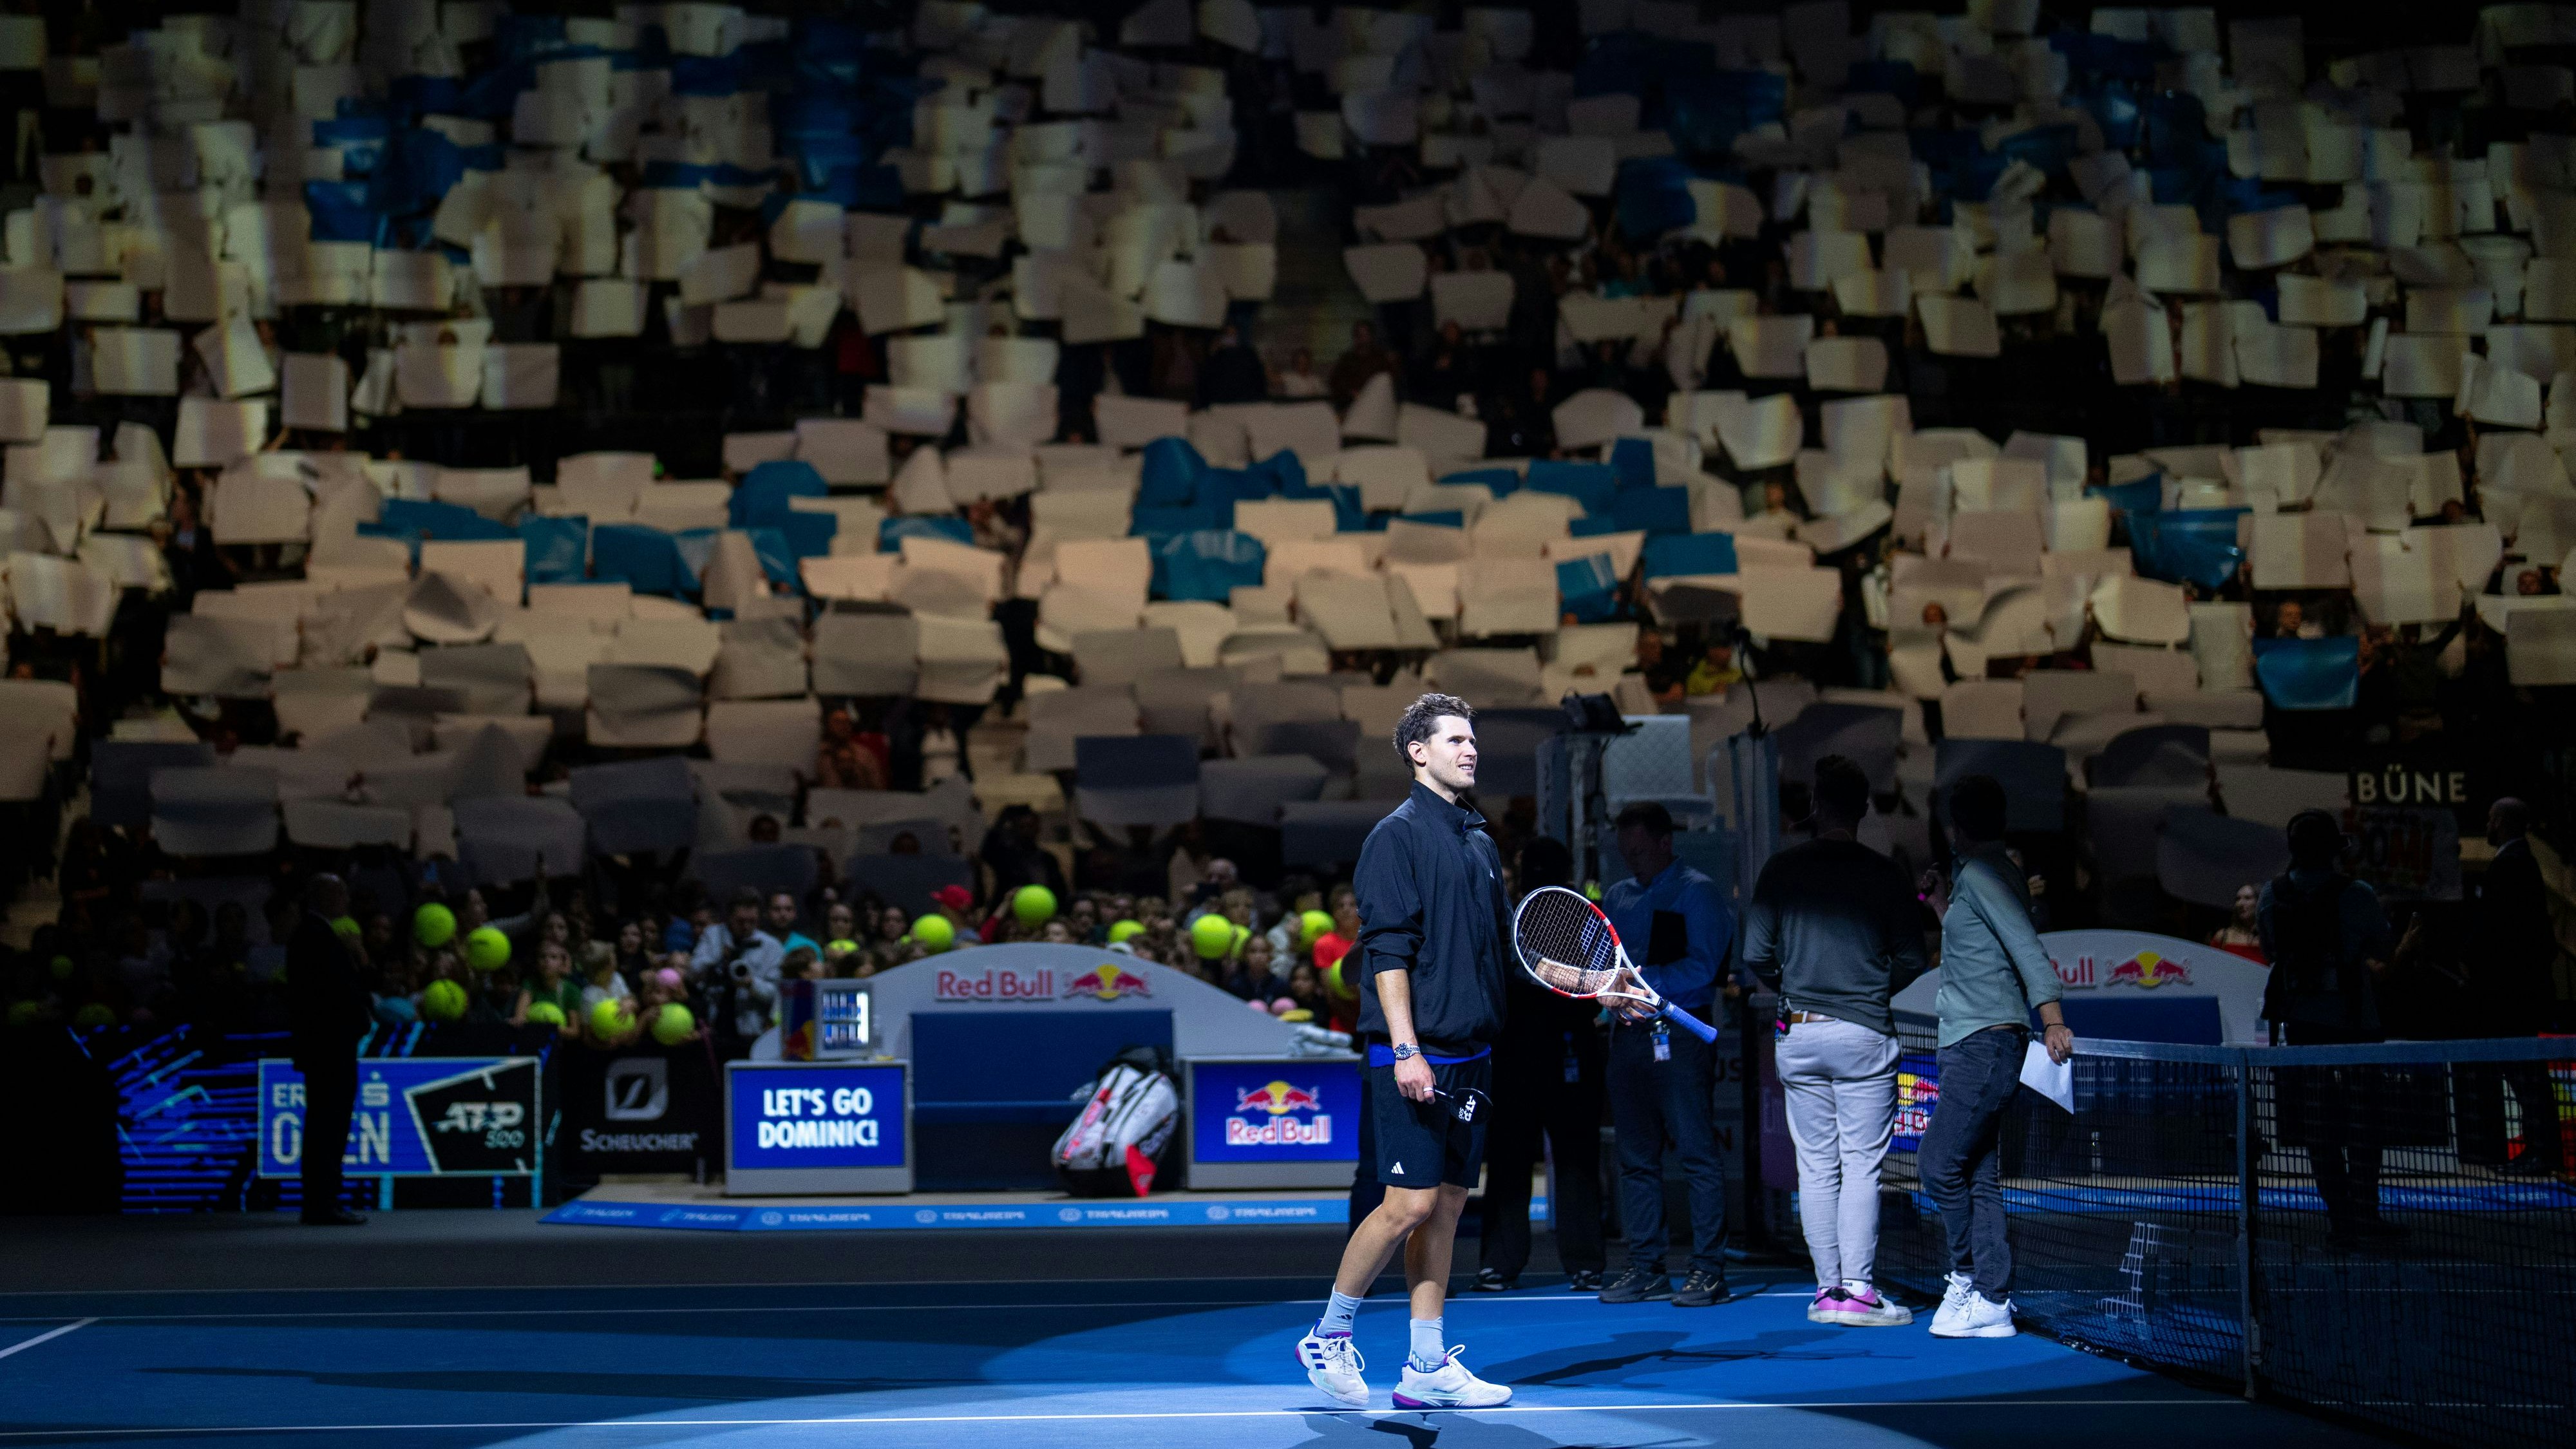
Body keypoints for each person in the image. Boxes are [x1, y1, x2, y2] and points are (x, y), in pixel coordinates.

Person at [1295, 693, 1511, 1411]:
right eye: (1454, 739)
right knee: (1405, 1204)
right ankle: (1327, 1336)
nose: (1469, 749)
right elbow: (1386, 951)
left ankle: (1424, 1364)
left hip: (1473, 1051)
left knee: (1447, 1206)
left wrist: (1592, 987)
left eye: (1472, 739)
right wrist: (1404, 1048)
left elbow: (1494, 950)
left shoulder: (1478, 841)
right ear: (1417, 752)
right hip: (1418, 1056)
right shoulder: (1397, 836)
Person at [1740, 755, 1929, 1327]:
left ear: (1816, 807)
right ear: (1865, 808)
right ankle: (1860, 1291)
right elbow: (1914, 959)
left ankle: (1828, 1293)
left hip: (1798, 1033)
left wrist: (1795, 988)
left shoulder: (1781, 869)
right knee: (1861, 1168)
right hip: (1864, 1033)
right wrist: (1870, 989)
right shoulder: (1886, 874)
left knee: (1816, 1169)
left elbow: (1755, 956)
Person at [1918, 774, 2073, 1339]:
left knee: (1937, 1164)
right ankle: (1993, 1300)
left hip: (1984, 1041)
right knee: (1976, 1174)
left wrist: (2052, 1018)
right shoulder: (1980, 876)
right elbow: (1982, 949)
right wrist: (1941, 905)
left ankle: (1967, 1278)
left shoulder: (1983, 874)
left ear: (1957, 828)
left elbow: (2026, 946)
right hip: (1974, 1037)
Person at [1597, 800, 1736, 1309]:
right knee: (1635, 1158)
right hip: (1628, 1041)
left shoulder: (1697, 892)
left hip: (1677, 1037)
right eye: (1625, 852)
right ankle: (1646, 1267)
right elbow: (1603, 966)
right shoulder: (1617, 895)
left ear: (1664, 843)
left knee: (1697, 1153)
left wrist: (1638, 986)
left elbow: (1703, 968)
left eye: (1640, 851)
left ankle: (1709, 1270)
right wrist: (1611, 996)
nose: (1633, 860)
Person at [2260, 809, 2401, 1245]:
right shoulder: (2356, 894)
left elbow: (2270, 953)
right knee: (2365, 1123)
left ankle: (2341, 1219)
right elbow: (2382, 946)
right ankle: (2366, 1215)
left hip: (2303, 1027)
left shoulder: (2272, 894)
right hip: (2356, 1026)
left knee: (2319, 1128)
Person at [1476, 835, 1607, 1294]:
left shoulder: (1583, 918)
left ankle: (1503, 1264)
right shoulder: (1507, 917)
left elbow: (1595, 988)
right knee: (1560, 1161)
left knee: (1537, 1161)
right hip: (1534, 1052)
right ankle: (1581, 1264)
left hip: (1551, 1052)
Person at [2465, 799, 2565, 1173]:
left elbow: (2500, 932)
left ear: (2503, 822)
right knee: (2528, 1077)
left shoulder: (2511, 865)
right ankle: (2540, 1150)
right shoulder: (2521, 862)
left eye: (2491, 819)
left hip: (2512, 997)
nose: (2487, 825)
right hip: (2520, 993)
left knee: (2528, 1078)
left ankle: (2542, 1151)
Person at [285, 875, 370, 1226]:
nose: (347, 899)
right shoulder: (316, 936)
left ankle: (322, 1200)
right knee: (328, 1126)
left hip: (327, 1046)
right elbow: (335, 993)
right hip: (329, 1047)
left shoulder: (313, 935)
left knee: (326, 1124)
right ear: (325, 896)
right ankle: (322, 1203)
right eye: (341, 892)